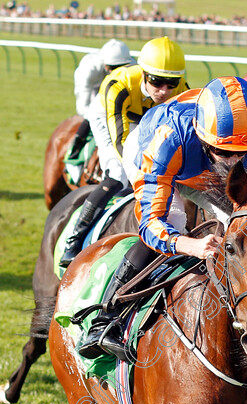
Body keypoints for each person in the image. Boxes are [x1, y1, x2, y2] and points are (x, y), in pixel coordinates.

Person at [77, 76, 247, 360]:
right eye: (223, 151)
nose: (232, 162)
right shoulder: (167, 139)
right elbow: (151, 224)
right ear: (204, 138)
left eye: (241, 153)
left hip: (200, 163)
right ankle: (107, 317)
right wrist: (191, 245)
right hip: (157, 155)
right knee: (173, 222)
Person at [59, 36, 189, 267]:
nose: (164, 91)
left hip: (146, 118)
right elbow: (122, 143)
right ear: (144, 72)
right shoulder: (117, 85)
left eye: (172, 83)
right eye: (157, 82)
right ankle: (75, 238)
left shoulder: (181, 90)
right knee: (118, 172)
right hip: (109, 116)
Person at [66, 39, 135, 162]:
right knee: (93, 113)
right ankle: (77, 145)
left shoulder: (133, 67)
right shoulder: (88, 70)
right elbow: (83, 107)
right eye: (114, 68)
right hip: (94, 88)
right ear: (105, 65)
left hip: (117, 89)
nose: (118, 72)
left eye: (121, 67)